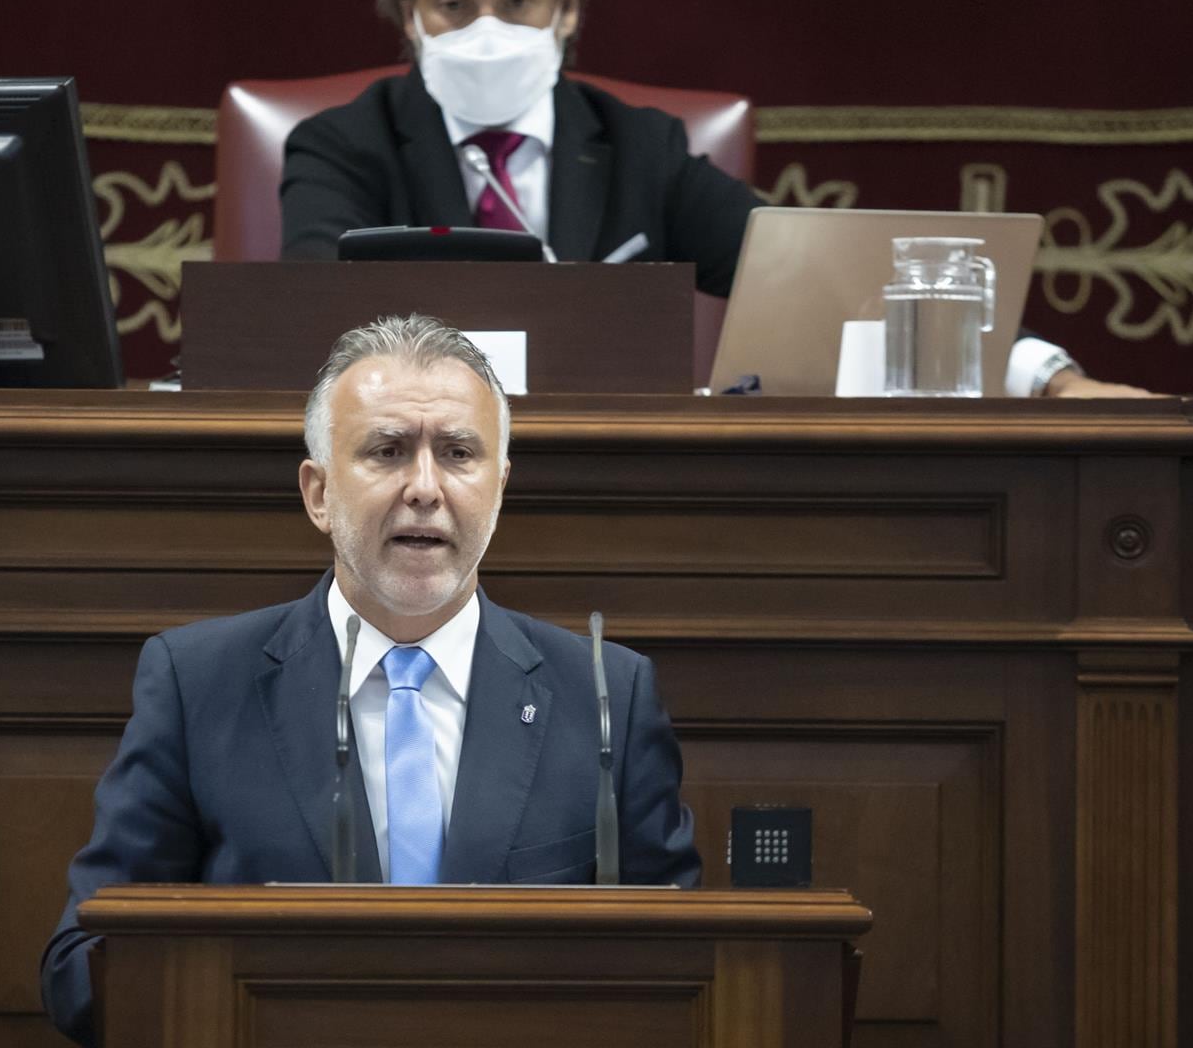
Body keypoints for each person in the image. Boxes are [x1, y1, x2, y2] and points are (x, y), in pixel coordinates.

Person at [39, 314, 701, 1044]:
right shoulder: (198, 685)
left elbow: (686, 979)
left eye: (457, 453)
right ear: (318, 493)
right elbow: (80, 971)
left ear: (501, 486)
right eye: (387, 451)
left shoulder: (609, 695)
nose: (425, 487)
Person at [279, 0, 1148, 398]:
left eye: (517, 1)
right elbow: (303, 325)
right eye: (451, 5)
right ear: (408, 16)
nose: (486, 31)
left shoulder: (640, 151)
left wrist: (1047, 377)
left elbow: (834, 286)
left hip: (610, 483)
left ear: (568, 8)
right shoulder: (340, 148)